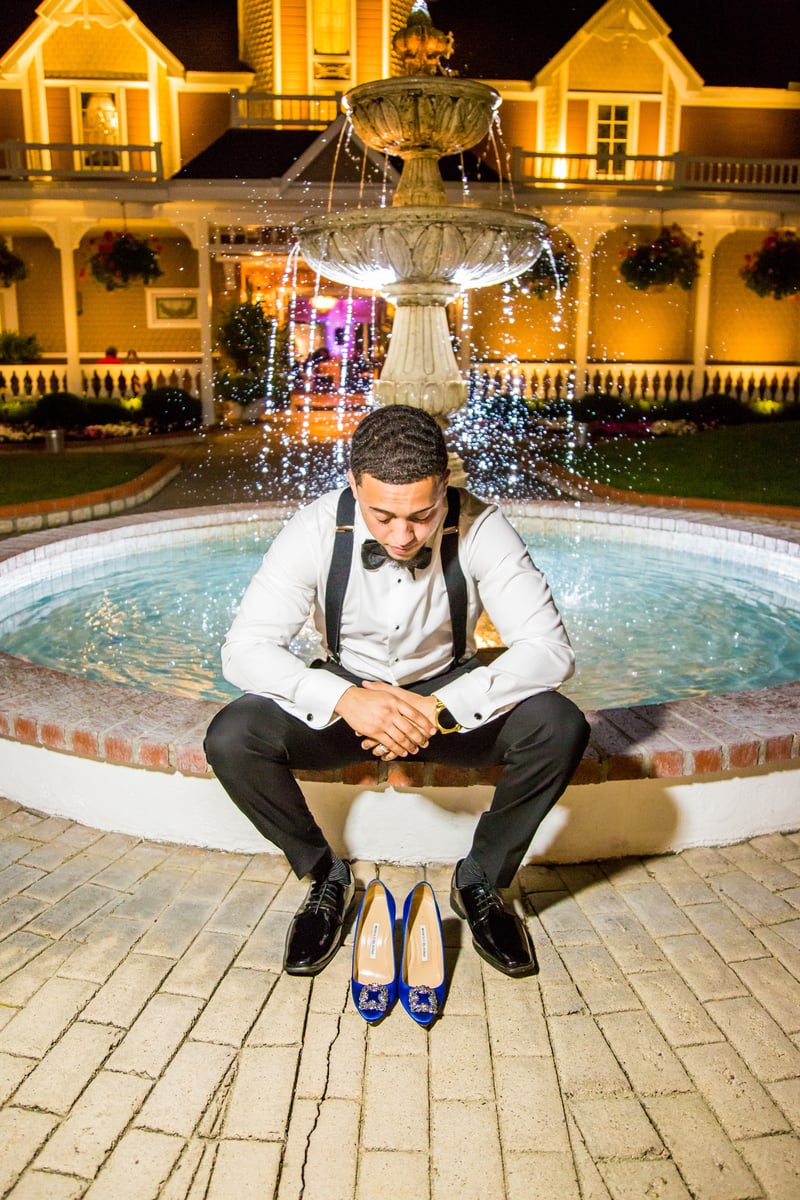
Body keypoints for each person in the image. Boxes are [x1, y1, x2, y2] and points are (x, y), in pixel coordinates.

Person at [205, 405, 589, 979]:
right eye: (382, 516)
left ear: (445, 484)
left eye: (422, 515)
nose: (403, 536)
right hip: (347, 696)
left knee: (559, 726)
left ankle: (481, 879)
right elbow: (244, 649)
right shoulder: (314, 527)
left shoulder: (483, 525)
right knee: (232, 737)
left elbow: (550, 650)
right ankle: (324, 875)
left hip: (448, 697)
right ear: (353, 482)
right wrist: (345, 700)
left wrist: (439, 709)